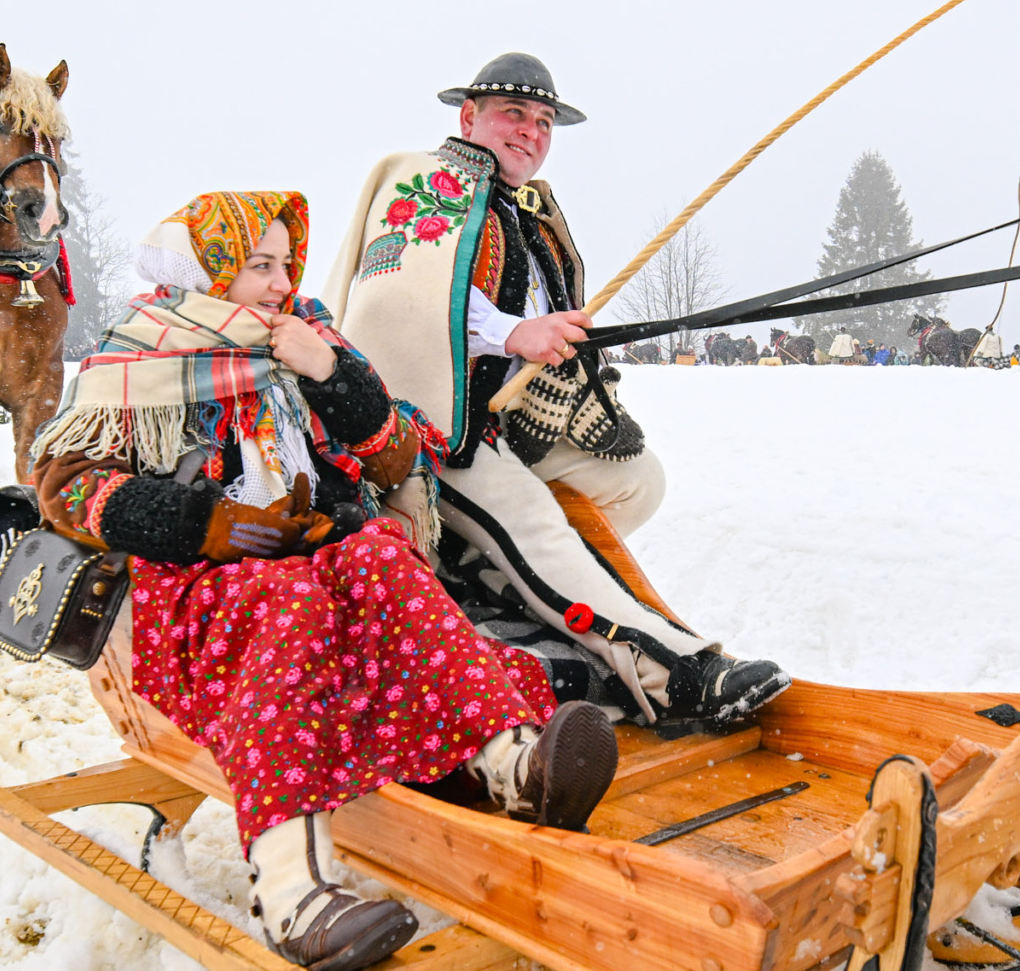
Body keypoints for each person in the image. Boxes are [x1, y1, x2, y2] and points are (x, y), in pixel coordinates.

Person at [26, 191, 619, 971]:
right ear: (208, 272)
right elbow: (65, 485)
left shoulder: (306, 337)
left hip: (314, 555)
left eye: (285, 264)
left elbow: (392, 454)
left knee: (380, 557)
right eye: (258, 266)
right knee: (290, 601)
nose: (281, 283)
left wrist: (330, 373)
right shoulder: (142, 354)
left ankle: (514, 766)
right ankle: (292, 895)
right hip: (203, 587)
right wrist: (200, 521)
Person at [320, 54, 788, 729]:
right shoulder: (424, 182)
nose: (531, 131)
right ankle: (675, 671)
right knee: (535, 522)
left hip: (507, 425)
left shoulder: (523, 210)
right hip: (431, 433)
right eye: (514, 113)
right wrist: (513, 333)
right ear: (468, 117)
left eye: (544, 121)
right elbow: (400, 302)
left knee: (637, 482)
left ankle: (498, 578)